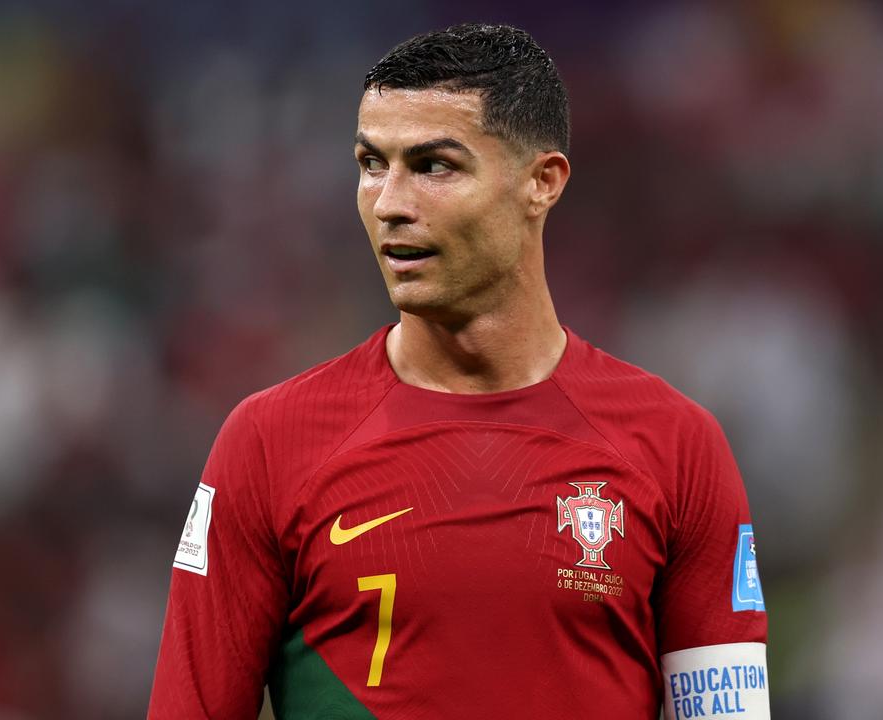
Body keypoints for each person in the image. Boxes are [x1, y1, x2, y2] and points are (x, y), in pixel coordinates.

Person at [148, 23, 769, 720]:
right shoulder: (268, 443)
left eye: (434, 165)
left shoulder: (677, 447)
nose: (390, 203)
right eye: (371, 163)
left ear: (542, 182)